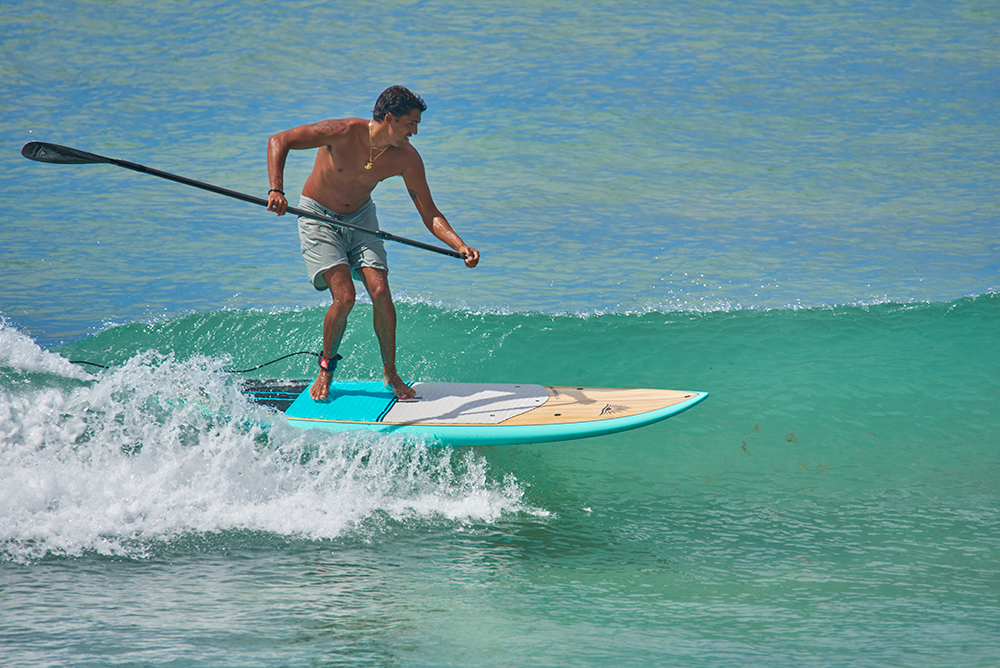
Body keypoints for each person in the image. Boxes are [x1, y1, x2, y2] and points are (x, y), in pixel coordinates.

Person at [266, 86, 480, 401]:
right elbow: (279, 141)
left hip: (361, 219)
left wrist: (460, 245)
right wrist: (276, 189)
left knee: (380, 292)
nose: (415, 132)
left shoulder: (406, 158)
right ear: (390, 118)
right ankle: (325, 369)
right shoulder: (342, 132)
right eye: (411, 124)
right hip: (317, 215)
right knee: (346, 297)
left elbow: (429, 212)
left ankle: (390, 373)